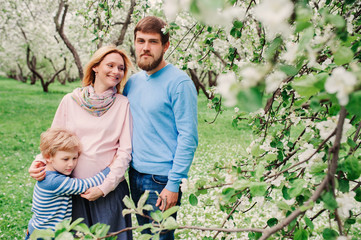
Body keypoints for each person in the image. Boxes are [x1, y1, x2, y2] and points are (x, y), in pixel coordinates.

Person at [28, 45, 133, 240]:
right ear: (95, 67)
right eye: (110, 65)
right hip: (73, 193)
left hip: (108, 193)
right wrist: (39, 162)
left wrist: (104, 188)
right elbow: (54, 140)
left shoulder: (122, 104)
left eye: (121, 68)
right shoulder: (70, 100)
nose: (116, 71)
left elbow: (125, 152)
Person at [123, 16, 198, 239]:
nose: (145, 48)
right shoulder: (132, 83)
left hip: (162, 180)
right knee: (146, 236)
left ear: (165, 46)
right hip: (134, 174)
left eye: (153, 42)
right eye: (141, 41)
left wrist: (173, 184)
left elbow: (188, 138)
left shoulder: (179, 83)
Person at [25, 128, 111, 239]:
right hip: (45, 234)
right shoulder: (54, 181)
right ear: (48, 157)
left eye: (75, 158)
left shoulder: (49, 172)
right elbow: (86, 184)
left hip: (40, 229)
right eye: (65, 159)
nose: (71, 164)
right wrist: (110, 169)